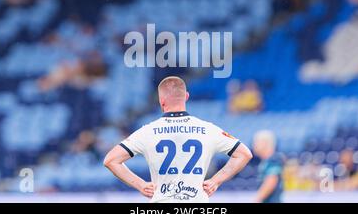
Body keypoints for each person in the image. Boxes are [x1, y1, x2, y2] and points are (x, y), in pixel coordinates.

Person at [104, 76, 252, 203]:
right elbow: (244, 154)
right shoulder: (208, 129)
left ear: (161, 101)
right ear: (186, 96)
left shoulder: (147, 131)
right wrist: (216, 181)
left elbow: (111, 160)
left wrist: (141, 185)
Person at [253, 130, 284, 203]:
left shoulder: (273, 159)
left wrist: (258, 198)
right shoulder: (265, 161)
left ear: (265, 143)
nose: (254, 145)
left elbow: (272, 180)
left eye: (256, 142)